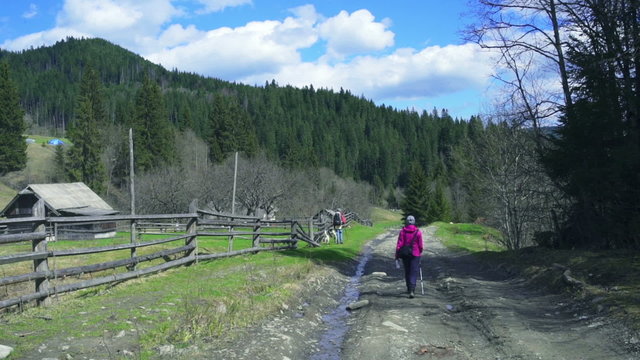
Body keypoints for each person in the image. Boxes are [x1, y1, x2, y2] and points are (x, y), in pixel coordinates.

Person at [395, 215, 423, 298]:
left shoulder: (402, 231)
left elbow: (399, 244)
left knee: (407, 271)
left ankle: (408, 288)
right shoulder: (418, 232)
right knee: (413, 271)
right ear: (414, 222)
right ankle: (412, 289)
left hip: (405, 254)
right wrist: (420, 252)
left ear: (406, 222)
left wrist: (397, 255)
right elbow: (421, 245)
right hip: (415, 254)